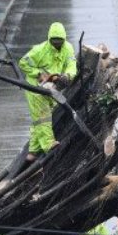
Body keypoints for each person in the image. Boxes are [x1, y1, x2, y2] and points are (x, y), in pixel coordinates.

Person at [18, 21, 77, 162]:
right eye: (54, 41)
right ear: (49, 39)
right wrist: (38, 74)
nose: (57, 43)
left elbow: (71, 65)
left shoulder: (68, 48)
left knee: (40, 117)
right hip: (35, 87)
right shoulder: (40, 50)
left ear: (64, 39)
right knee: (42, 115)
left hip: (51, 87)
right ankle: (48, 144)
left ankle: (33, 151)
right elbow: (23, 62)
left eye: (59, 41)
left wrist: (68, 75)